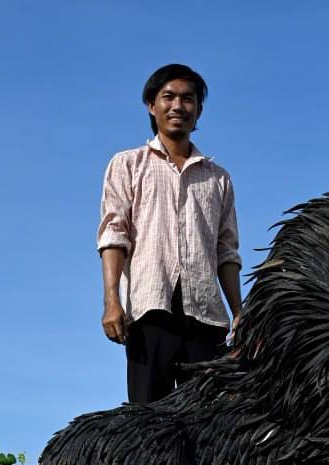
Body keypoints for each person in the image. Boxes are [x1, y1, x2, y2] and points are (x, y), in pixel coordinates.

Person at [97, 63, 243, 403]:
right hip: (150, 310)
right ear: (152, 105)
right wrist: (111, 301)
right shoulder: (128, 164)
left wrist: (239, 311)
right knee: (148, 420)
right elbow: (113, 234)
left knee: (211, 420)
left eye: (188, 99)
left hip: (206, 317)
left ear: (198, 110)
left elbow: (227, 250)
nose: (178, 106)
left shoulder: (218, 178)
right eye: (168, 97)